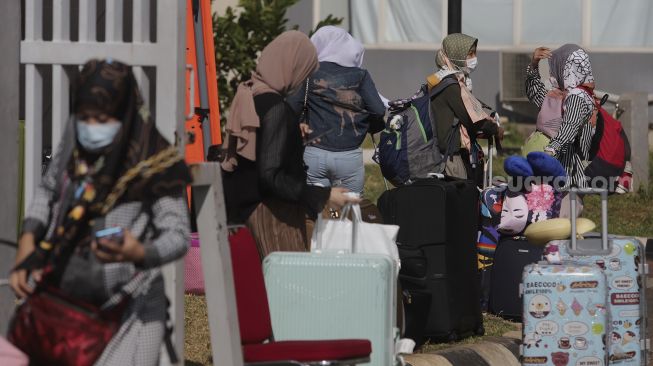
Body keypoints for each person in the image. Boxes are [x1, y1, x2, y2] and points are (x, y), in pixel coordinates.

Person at [9, 59, 191, 365]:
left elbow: (178, 234)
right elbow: (49, 189)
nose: (92, 128)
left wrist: (139, 252)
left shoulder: (154, 163)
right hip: (63, 302)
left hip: (128, 311)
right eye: (85, 118)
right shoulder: (74, 141)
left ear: (124, 113)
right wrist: (29, 238)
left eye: (103, 119)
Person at [221, 30, 360, 258]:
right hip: (271, 218)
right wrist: (323, 195)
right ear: (292, 68)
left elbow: (258, 149)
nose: (302, 79)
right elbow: (270, 176)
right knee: (287, 289)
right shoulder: (276, 108)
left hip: (241, 212)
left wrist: (291, 136)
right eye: (304, 72)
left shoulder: (251, 95)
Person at [287, 26, 386, 195]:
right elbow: (378, 110)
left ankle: (328, 219)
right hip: (349, 156)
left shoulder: (309, 74)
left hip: (314, 153)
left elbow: (290, 108)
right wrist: (363, 123)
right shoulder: (360, 75)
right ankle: (337, 218)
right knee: (348, 211)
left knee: (318, 208)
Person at [428, 33, 503, 182]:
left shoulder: (444, 80)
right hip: (449, 156)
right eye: (470, 54)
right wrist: (495, 129)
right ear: (456, 55)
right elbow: (471, 119)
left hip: (450, 151)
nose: (474, 58)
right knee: (460, 198)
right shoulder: (451, 86)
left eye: (475, 53)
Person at [526, 44, 596, 189]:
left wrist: (549, 151)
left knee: (561, 210)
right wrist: (534, 64)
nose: (553, 70)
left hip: (565, 173)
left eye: (556, 65)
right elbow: (534, 93)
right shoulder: (558, 94)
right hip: (546, 169)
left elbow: (570, 127)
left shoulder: (579, 97)